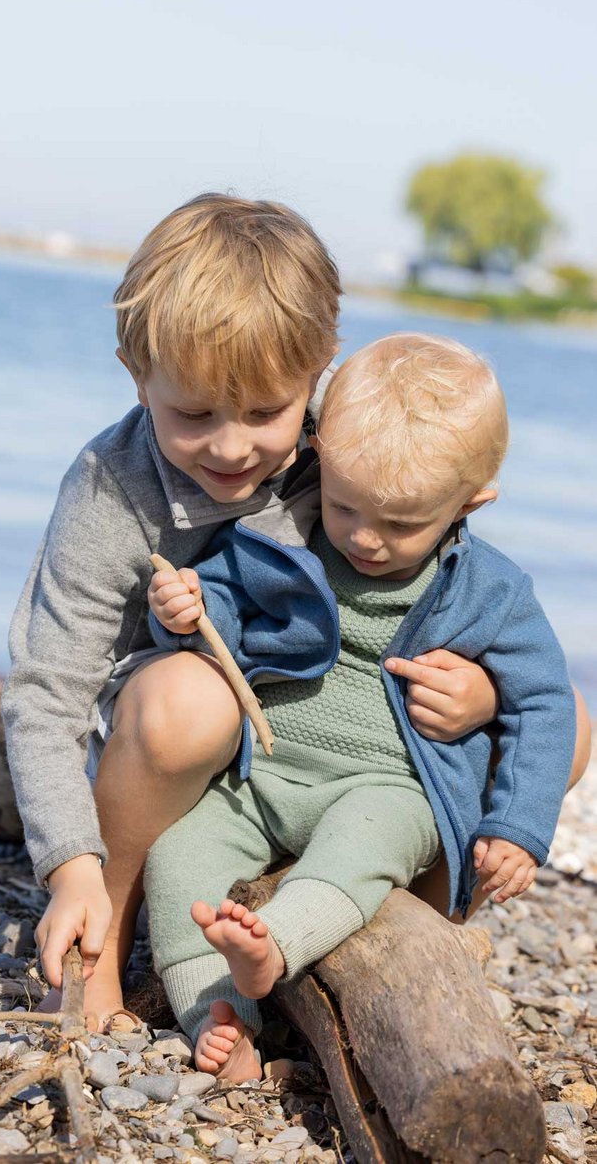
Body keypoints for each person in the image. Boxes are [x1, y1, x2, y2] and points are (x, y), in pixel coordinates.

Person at [0, 194, 591, 1030]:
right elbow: (47, 691)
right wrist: (70, 865)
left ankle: (401, 911)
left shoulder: (351, 441)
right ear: (138, 376)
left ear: (321, 370)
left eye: (267, 412)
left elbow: (449, 574)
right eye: (193, 414)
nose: (233, 446)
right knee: (188, 705)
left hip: (353, 745)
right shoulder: (111, 487)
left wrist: (488, 697)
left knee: (569, 723)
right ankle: (111, 925)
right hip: (189, 739)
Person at [144, 334, 578, 1080]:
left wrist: (519, 827)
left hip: (387, 786)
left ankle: (270, 948)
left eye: (403, 524)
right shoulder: (285, 542)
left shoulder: (491, 590)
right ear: (320, 454)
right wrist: (184, 608)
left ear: (472, 501)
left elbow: (546, 701)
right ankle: (217, 1017)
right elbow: (220, 598)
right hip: (266, 775)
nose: (367, 538)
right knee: (176, 855)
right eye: (347, 507)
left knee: (366, 840)